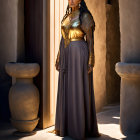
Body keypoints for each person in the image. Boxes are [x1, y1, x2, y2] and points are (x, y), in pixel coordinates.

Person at [49, 0, 100, 139]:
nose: (71, 0)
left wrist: (91, 60)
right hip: (66, 53)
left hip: (79, 54)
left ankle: (80, 128)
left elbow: (90, 40)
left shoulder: (85, 17)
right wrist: (58, 57)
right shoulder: (67, 17)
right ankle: (65, 127)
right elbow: (62, 38)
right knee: (67, 88)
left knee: (77, 88)